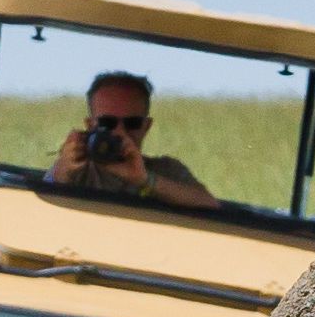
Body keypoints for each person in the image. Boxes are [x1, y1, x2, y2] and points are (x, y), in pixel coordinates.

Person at [43, 69, 220, 211]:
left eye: (132, 123)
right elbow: (41, 205)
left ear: (146, 126)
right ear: (90, 126)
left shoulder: (165, 171)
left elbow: (209, 206)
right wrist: (62, 170)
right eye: (107, 123)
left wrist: (145, 180)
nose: (120, 132)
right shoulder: (76, 169)